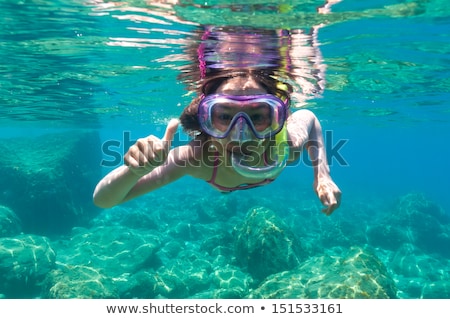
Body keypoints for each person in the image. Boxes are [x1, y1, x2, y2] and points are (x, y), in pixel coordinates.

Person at [93, 27, 341, 215]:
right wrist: (134, 170)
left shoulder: (285, 147)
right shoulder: (195, 159)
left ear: (277, 118)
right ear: (205, 121)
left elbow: (309, 118)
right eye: (224, 117)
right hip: (219, 184)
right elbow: (104, 200)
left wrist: (323, 175)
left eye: (257, 116)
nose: (241, 134)